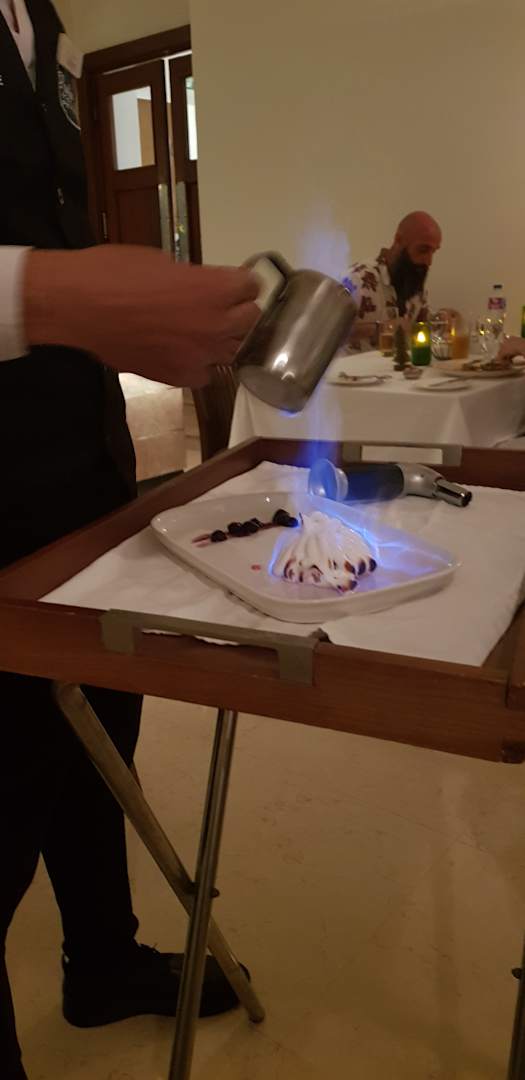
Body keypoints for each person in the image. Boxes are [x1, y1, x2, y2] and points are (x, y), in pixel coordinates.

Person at [0, 2, 260, 1077]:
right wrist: (44, 296)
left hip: (77, 480)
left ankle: (101, 962)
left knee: (93, 742)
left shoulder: (39, 19)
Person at [344, 211, 442, 348]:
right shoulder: (357, 279)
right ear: (398, 240)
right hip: (355, 362)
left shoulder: (413, 277)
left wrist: (441, 318)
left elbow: (420, 324)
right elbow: (325, 330)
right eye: (423, 250)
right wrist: (379, 329)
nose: (429, 261)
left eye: (433, 252)